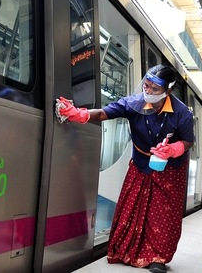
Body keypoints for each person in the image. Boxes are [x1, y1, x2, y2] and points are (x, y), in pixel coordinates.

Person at [56, 64, 194, 273]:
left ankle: (157, 258)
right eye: (146, 86)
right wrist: (80, 114)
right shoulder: (134, 104)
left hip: (169, 169)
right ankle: (125, 250)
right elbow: (104, 113)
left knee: (162, 215)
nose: (147, 92)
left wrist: (173, 149)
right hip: (140, 163)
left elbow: (188, 141)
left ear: (168, 91)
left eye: (154, 89)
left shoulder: (182, 113)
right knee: (131, 206)